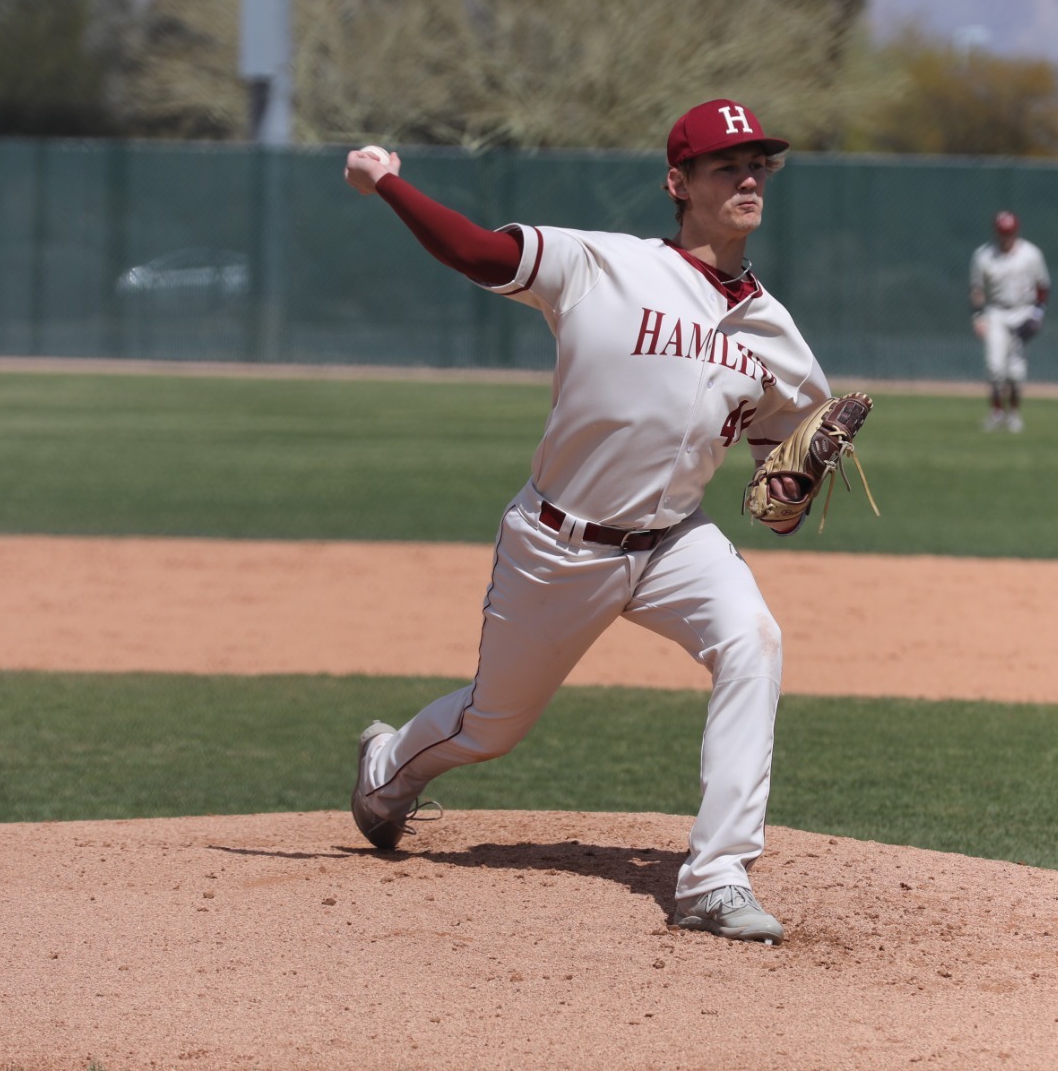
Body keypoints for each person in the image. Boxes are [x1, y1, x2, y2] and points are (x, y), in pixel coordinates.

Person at [342, 99, 835, 946]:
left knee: (753, 638)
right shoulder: (600, 264)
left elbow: (776, 501)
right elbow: (476, 252)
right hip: (559, 542)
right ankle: (386, 770)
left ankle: (715, 875)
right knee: (491, 726)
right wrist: (388, 181)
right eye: (728, 165)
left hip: (677, 538)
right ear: (678, 183)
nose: (750, 177)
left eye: (759, 164)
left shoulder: (776, 335)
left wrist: (802, 473)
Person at [969, 210, 1050, 433]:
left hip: (1023, 311)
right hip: (996, 312)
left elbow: (1042, 286)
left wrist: (1037, 314)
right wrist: (977, 316)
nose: (1006, 238)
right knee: (995, 367)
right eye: (1002, 234)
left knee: (1015, 372)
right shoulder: (983, 256)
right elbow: (977, 290)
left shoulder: (1031, 254)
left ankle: (1013, 413)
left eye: (1009, 233)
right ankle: (996, 412)